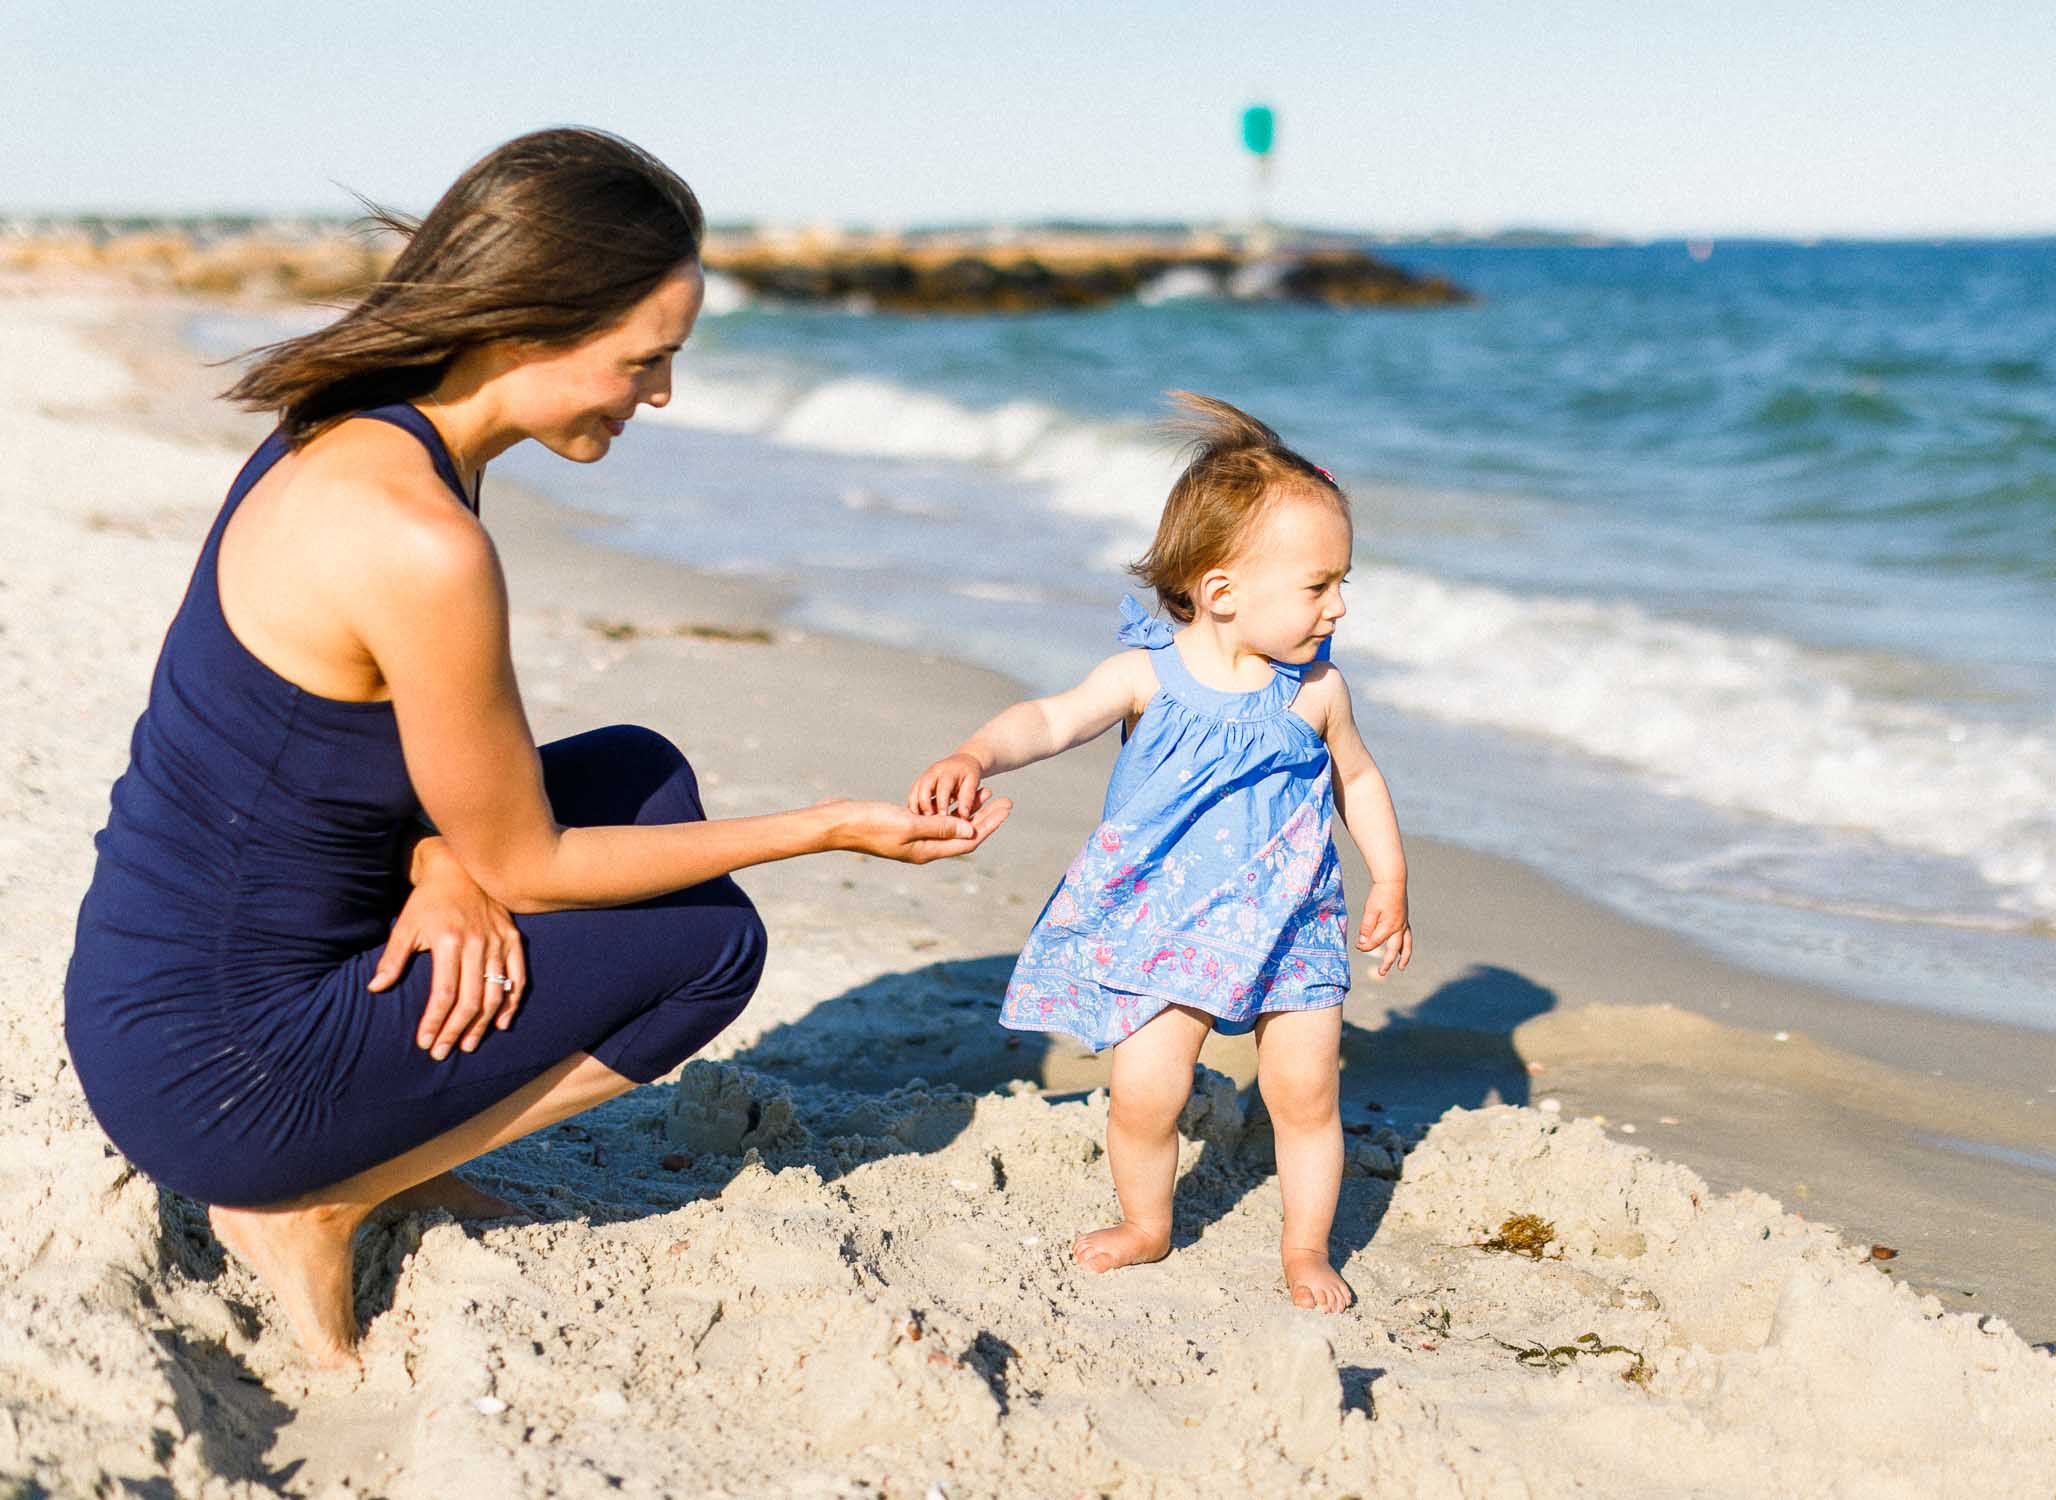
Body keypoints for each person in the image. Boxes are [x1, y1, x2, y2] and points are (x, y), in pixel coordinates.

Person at [63, 127, 1009, 1369]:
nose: (658, 395)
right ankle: (325, 1193)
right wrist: (829, 827)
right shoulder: (424, 540)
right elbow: (536, 871)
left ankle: (359, 1139)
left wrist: (441, 869)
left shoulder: (360, 430)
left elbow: (310, 756)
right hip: (220, 1079)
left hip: (145, 992)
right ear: (529, 327)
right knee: (712, 944)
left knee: (638, 769)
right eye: (644, 360)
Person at [910, 393, 1411, 1313]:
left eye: (1343, 582)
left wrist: (1391, 874)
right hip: (1166, 919)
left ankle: (1306, 1247)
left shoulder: (1317, 691)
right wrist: (974, 752)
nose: (1339, 605)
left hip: (1292, 919)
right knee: (1146, 1093)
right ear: (1221, 592)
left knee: (1304, 1094)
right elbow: (1051, 719)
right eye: (1318, 586)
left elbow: (1361, 782)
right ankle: (1147, 1223)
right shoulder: (1146, 675)